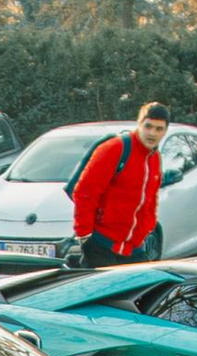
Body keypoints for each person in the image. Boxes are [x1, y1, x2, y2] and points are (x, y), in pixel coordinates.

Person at [68, 103, 170, 268]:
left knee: (142, 292)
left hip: (133, 250)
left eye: (159, 129)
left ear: (164, 132)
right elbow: (85, 192)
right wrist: (85, 235)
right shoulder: (116, 148)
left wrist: (146, 229)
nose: (152, 133)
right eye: (148, 126)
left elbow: (150, 200)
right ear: (139, 124)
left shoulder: (155, 158)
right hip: (101, 246)